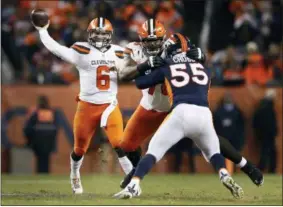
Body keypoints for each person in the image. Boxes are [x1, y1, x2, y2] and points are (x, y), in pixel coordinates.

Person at [118, 18, 263, 188]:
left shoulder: (176, 43)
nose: (152, 45)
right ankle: (136, 168)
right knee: (126, 144)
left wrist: (201, 57)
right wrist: (143, 66)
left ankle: (248, 167)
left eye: (156, 40)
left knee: (210, 139)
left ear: (163, 38)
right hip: (151, 106)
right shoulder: (133, 50)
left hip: (177, 105)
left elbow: (196, 64)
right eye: (148, 42)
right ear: (141, 40)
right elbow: (123, 74)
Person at [31, 11, 132, 194]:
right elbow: (56, 49)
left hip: (110, 105)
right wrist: (43, 31)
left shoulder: (120, 52)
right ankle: (75, 174)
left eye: (103, 34)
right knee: (79, 149)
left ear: (110, 35)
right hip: (87, 106)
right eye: (96, 34)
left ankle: (133, 183)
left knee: (119, 143)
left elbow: (137, 65)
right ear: (89, 34)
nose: (100, 38)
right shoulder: (81, 50)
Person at [23, 95, 58, 173]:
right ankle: (45, 174)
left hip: (38, 140)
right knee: (46, 160)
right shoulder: (51, 113)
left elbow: (28, 127)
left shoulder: (36, 113)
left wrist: (29, 140)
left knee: (40, 160)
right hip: (49, 140)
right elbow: (55, 128)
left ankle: (40, 174)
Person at [252, 89, 278, 173]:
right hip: (268, 134)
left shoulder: (261, 106)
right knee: (269, 153)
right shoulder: (268, 107)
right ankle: (266, 169)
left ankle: (263, 169)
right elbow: (270, 122)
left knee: (266, 152)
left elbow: (256, 121)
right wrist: (274, 132)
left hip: (262, 134)